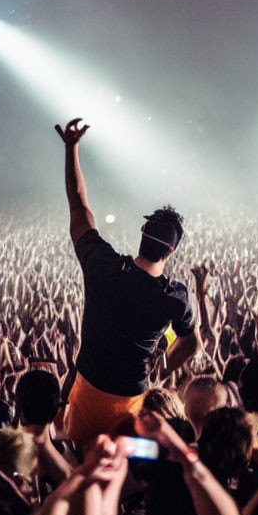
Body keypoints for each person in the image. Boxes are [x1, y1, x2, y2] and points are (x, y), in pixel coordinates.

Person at [55, 118, 200, 447]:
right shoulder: (174, 298)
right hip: (130, 400)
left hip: (86, 388)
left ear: (142, 236)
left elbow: (79, 207)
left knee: (79, 454)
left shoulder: (102, 265)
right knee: (120, 465)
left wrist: (71, 149)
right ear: (172, 251)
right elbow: (192, 342)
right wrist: (162, 366)